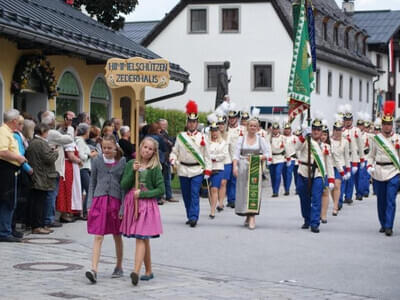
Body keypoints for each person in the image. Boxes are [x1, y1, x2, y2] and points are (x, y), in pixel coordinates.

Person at [120, 137, 165, 286]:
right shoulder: (131, 164)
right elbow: (124, 185)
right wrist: (132, 172)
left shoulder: (155, 168)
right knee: (144, 238)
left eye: (150, 149)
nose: (147, 150)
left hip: (146, 206)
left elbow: (161, 190)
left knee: (140, 237)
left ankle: (136, 271)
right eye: (145, 147)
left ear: (154, 152)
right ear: (140, 147)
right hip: (133, 204)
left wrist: (143, 194)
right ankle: (148, 271)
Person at [85, 135, 126, 283]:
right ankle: (94, 269)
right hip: (99, 200)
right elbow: (92, 182)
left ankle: (119, 266)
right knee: (98, 235)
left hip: (115, 202)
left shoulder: (122, 162)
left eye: (109, 148)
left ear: (115, 147)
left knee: (117, 235)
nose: (106, 151)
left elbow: (124, 186)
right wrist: (89, 204)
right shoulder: (96, 161)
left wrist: (122, 208)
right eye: (104, 148)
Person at [170, 100, 212, 227]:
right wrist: (172, 158)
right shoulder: (180, 136)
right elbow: (175, 151)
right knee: (186, 195)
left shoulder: (203, 137)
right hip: (183, 169)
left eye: (194, 122)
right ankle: (189, 215)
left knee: (194, 193)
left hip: (197, 170)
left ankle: (194, 217)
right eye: (190, 122)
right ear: (187, 123)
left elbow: (207, 155)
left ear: (197, 123)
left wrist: (208, 170)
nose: (192, 124)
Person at [296, 119, 335, 233]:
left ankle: (314, 223)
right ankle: (307, 219)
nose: (316, 131)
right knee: (304, 197)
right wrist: (303, 136)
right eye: (314, 129)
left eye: (318, 129)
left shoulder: (325, 146)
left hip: (318, 173)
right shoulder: (306, 141)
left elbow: (329, 163)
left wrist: (331, 179)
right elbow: (296, 147)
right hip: (304, 171)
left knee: (317, 198)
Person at [367, 101, 399, 236]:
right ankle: (383, 222)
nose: (387, 127)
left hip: (393, 171)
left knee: (390, 199)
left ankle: (389, 225)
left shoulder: (398, 138)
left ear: (391, 125)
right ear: (382, 126)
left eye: (389, 124)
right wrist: (369, 166)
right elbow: (371, 155)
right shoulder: (376, 139)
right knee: (381, 200)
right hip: (379, 171)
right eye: (385, 124)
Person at [233, 118, 270, 230]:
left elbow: (267, 154)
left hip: (255, 166)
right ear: (247, 127)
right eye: (251, 126)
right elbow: (236, 154)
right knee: (243, 191)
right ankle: (247, 215)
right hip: (243, 165)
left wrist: (257, 157)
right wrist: (235, 166)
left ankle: (252, 216)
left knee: (253, 191)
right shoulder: (241, 139)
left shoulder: (261, 139)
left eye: (255, 126)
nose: (253, 128)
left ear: (258, 128)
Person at [41, 111, 73, 228]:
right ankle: (49, 219)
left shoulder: (45, 131)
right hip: (54, 168)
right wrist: (69, 127)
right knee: (52, 194)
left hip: (47, 167)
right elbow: (69, 139)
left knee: (49, 194)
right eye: (54, 119)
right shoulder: (52, 133)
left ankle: (47, 218)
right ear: (51, 121)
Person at [26, 123, 59, 234]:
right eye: (47, 132)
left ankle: (40, 225)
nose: (48, 134)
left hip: (38, 176)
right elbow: (49, 158)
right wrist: (55, 152)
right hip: (41, 177)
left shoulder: (34, 142)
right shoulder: (40, 143)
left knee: (39, 202)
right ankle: (37, 226)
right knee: (39, 203)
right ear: (43, 132)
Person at [0, 109, 27, 242]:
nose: (20, 122)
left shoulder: (8, 132)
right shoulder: (3, 132)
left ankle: (7, 229)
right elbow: (3, 152)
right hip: (5, 171)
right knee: (7, 201)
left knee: (10, 201)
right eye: (18, 120)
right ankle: (4, 232)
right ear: (13, 121)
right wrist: (18, 157)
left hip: (11, 170)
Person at [12, 115, 33, 236]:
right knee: (18, 198)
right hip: (20, 171)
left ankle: (15, 224)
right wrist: (29, 169)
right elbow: (19, 156)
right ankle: (13, 225)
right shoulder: (17, 136)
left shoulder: (21, 138)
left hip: (20, 170)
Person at [56, 135, 83, 222]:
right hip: (69, 167)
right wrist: (80, 161)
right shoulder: (69, 142)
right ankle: (65, 213)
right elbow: (71, 156)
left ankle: (69, 212)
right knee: (68, 190)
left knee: (71, 190)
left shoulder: (70, 141)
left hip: (71, 167)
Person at [342, 106, 364, 204]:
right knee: (343, 177)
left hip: (352, 157)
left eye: (349, 120)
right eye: (346, 120)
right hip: (342, 157)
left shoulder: (356, 130)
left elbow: (360, 145)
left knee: (350, 178)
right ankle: (341, 195)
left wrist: (362, 158)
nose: (347, 122)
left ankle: (348, 196)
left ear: (352, 120)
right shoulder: (340, 130)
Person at [75, 123, 98, 220]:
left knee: (82, 190)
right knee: (89, 189)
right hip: (83, 168)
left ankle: (79, 211)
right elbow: (81, 155)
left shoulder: (81, 141)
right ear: (85, 132)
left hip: (84, 168)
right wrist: (90, 155)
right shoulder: (80, 141)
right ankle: (85, 212)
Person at [207, 121, 228, 218]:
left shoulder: (223, 142)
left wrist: (213, 157)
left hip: (218, 168)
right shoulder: (206, 142)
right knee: (210, 190)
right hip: (208, 168)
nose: (214, 133)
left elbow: (223, 155)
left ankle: (212, 211)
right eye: (212, 130)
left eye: (216, 130)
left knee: (215, 188)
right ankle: (212, 204)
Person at [329, 120, 350, 215]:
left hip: (340, 166)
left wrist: (348, 169)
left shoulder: (345, 142)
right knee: (331, 187)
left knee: (337, 184)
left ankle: (335, 206)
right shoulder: (329, 140)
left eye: (339, 130)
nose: (337, 132)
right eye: (336, 130)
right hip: (330, 166)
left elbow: (346, 156)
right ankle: (336, 202)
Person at [226, 105, 244, 208]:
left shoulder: (242, 129)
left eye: (233, 118)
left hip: (239, 157)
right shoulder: (225, 129)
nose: (232, 120)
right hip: (227, 158)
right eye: (230, 118)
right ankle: (230, 199)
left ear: (237, 118)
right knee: (229, 179)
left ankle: (233, 199)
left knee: (236, 179)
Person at [146, 122, 167, 205]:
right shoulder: (159, 137)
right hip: (158, 160)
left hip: (147, 160)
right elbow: (164, 148)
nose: (160, 130)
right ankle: (158, 198)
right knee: (158, 179)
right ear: (156, 129)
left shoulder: (146, 137)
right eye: (159, 128)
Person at [268, 122, 290, 197]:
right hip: (272, 158)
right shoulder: (269, 137)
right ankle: (274, 190)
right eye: (274, 129)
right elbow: (267, 148)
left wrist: (288, 158)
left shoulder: (282, 138)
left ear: (279, 130)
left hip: (280, 158)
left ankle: (276, 191)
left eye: (277, 129)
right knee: (272, 175)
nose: (275, 131)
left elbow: (286, 148)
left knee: (278, 174)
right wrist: (268, 158)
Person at [158, 119, 176, 202]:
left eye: (166, 124)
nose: (165, 126)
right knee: (161, 179)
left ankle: (169, 196)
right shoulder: (159, 134)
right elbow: (165, 145)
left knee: (167, 178)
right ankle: (161, 196)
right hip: (162, 159)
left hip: (167, 158)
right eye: (163, 124)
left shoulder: (166, 133)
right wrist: (169, 142)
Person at [282, 122, 298, 196]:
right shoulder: (281, 137)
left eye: (288, 129)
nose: (287, 130)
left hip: (292, 158)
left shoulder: (294, 137)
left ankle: (293, 189)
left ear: (291, 130)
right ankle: (286, 188)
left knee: (291, 174)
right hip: (283, 158)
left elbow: (298, 147)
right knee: (285, 174)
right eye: (286, 129)